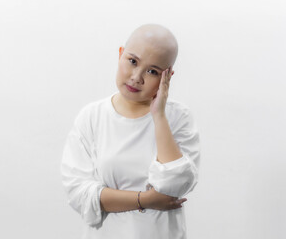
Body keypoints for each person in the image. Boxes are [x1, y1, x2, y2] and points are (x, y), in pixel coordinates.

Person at [60, 23, 201, 239]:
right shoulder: (91, 117)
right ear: (120, 54)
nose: (137, 77)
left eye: (152, 71)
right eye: (132, 61)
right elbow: (79, 194)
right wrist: (146, 200)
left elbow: (175, 186)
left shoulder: (178, 118)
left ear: (168, 76)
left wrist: (159, 116)